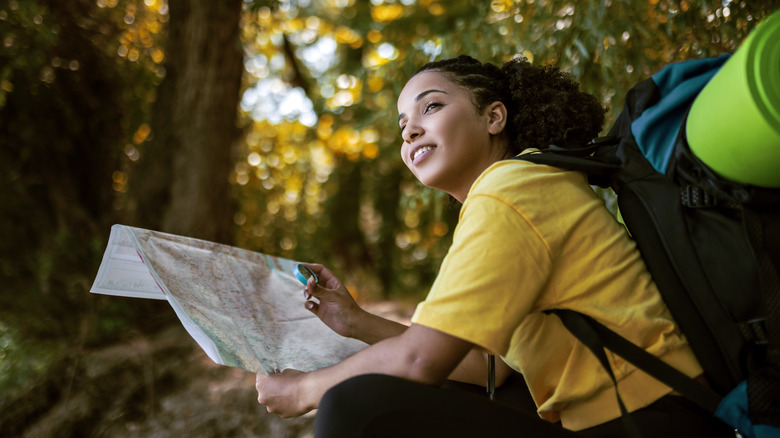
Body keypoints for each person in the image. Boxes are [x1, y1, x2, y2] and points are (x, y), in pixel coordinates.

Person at [255, 55, 733, 437]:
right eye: (403, 125)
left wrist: (305, 390)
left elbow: (420, 360)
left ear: (493, 117)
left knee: (353, 406)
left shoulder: (510, 191)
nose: (411, 130)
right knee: (463, 391)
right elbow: (489, 364)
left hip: (653, 420)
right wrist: (355, 322)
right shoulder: (523, 184)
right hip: (657, 414)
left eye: (431, 107)